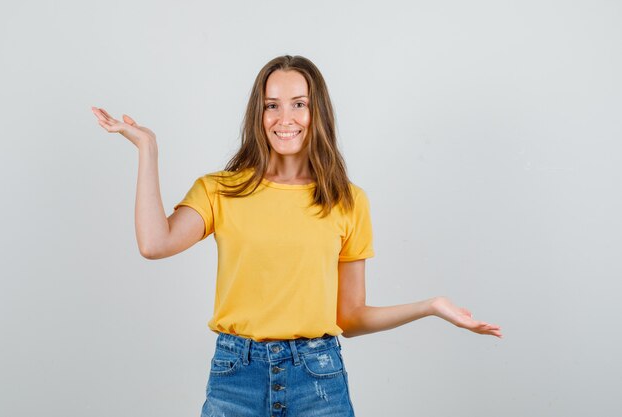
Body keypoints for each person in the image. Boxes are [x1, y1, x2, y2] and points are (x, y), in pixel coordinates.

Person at [91, 54, 502, 417]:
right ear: (259, 113)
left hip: (318, 380)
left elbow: (351, 318)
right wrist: (148, 149)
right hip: (235, 377)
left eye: (299, 104)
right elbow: (154, 243)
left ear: (316, 112)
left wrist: (430, 306)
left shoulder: (346, 200)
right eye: (272, 105)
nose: (284, 118)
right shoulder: (221, 189)